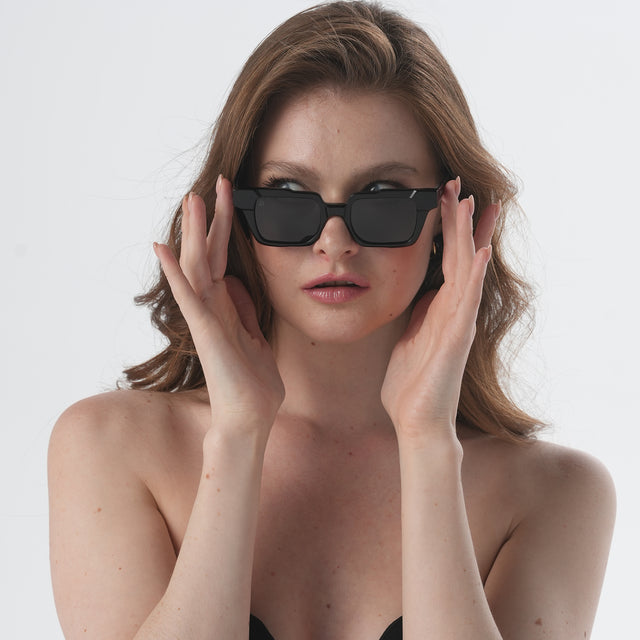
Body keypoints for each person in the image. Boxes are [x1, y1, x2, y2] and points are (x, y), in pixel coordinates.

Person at [47, 2, 616, 639]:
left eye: (384, 198)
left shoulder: (558, 494)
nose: (335, 242)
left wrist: (427, 442)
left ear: (449, 220)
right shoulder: (108, 446)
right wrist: (237, 434)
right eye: (290, 197)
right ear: (233, 217)